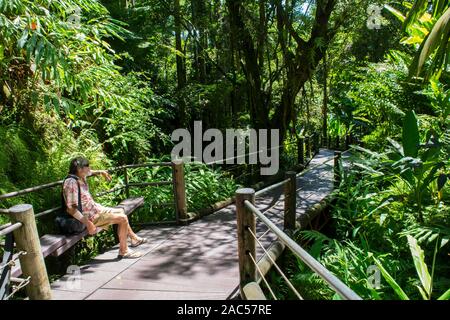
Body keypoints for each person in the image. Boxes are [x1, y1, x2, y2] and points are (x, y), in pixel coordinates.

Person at [63, 156, 146, 259]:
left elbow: (91, 172)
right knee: (122, 218)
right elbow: (71, 209)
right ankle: (123, 251)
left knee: (121, 210)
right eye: (87, 166)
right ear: (80, 169)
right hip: (90, 216)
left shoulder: (81, 175)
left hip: (95, 209)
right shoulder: (71, 183)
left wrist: (101, 172)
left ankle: (134, 239)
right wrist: (88, 223)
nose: (90, 168)